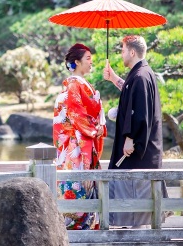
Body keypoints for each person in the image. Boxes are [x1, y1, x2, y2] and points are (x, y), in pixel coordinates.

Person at [102, 34, 164, 228]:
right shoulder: (140, 74)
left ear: (131, 51)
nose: (121, 54)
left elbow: (140, 114)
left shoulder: (141, 76)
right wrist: (114, 78)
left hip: (137, 147)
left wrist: (130, 138)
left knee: (134, 189)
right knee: (132, 191)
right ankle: (132, 229)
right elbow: (130, 93)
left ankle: (136, 233)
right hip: (138, 145)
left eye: (122, 50)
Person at [53, 43, 107, 230]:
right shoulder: (74, 85)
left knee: (82, 183)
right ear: (77, 62)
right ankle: (76, 225)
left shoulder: (80, 84)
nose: (91, 63)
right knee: (77, 183)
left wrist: (98, 126)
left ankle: (83, 223)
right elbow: (77, 115)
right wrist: (95, 129)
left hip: (79, 140)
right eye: (88, 59)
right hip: (76, 144)